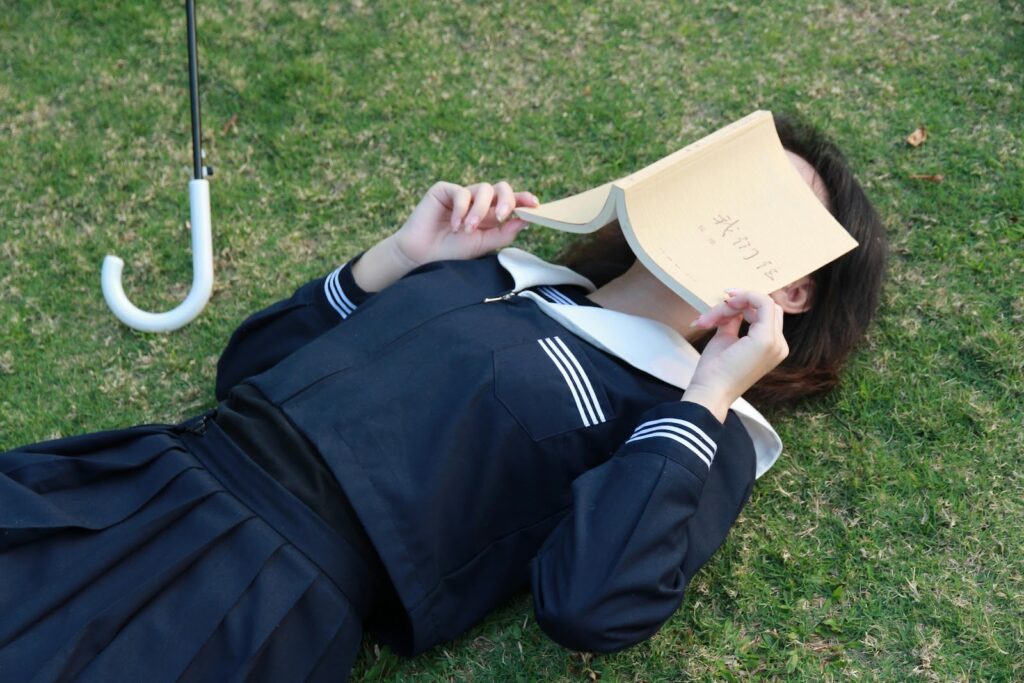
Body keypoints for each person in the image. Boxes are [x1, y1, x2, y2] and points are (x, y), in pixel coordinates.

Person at [0, 114, 886, 682]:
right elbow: (248, 373)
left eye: (769, 201)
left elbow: (590, 602)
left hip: (260, 588)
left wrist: (707, 396)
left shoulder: (702, 423)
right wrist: (400, 258)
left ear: (795, 289)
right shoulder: (502, 271)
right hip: (149, 474)